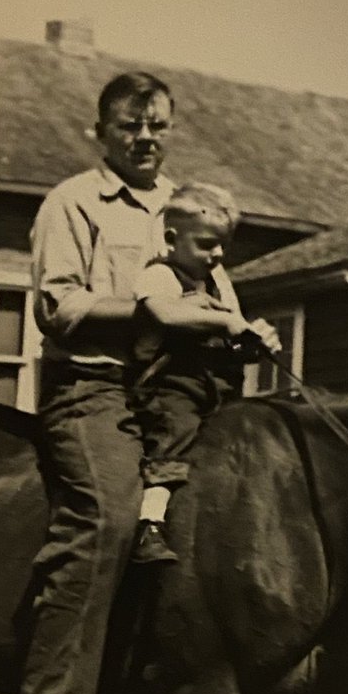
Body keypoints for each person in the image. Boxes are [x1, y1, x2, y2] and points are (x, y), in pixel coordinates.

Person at [0, 71, 179, 694]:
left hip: (172, 390)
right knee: (102, 521)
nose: (145, 138)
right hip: (92, 390)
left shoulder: (182, 205)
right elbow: (58, 306)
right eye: (130, 126)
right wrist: (151, 310)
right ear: (100, 132)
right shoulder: (72, 202)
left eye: (157, 126)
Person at [130, 182, 281, 564]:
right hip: (172, 385)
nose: (216, 254)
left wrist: (254, 338)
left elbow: (232, 330)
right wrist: (226, 322)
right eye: (206, 244)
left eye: (222, 245)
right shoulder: (160, 275)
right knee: (173, 436)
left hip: (216, 385)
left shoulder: (219, 280)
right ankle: (150, 523)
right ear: (171, 238)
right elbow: (165, 313)